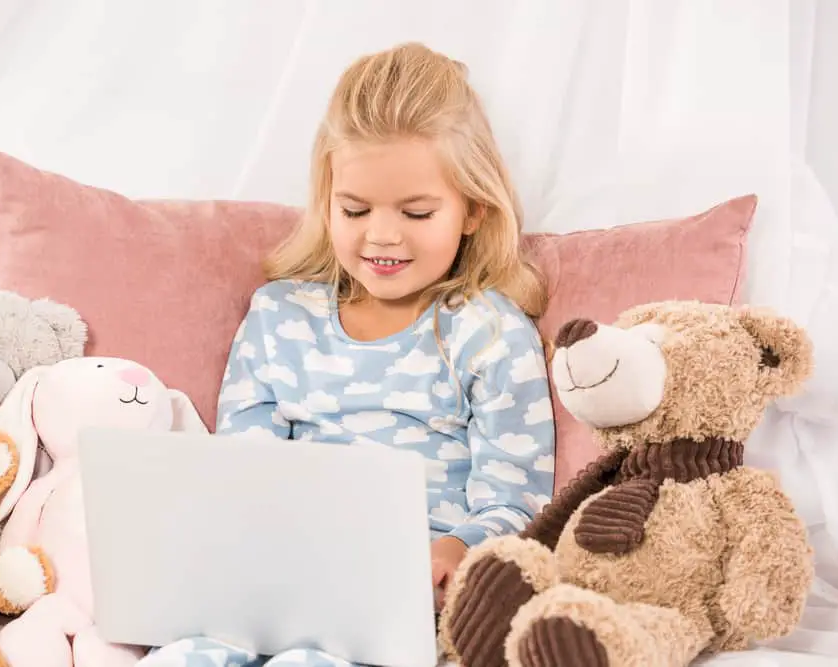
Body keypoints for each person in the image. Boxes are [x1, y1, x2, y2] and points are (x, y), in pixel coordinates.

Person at [139, 41, 555, 667]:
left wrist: (458, 548)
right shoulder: (280, 315)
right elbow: (242, 468)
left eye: (417, 213)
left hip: (401, 608)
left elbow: (517, 498)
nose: (382, 235)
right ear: (326, 199)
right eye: (354, 209)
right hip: (275, 584)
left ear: (471, 209)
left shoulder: (489, 332)